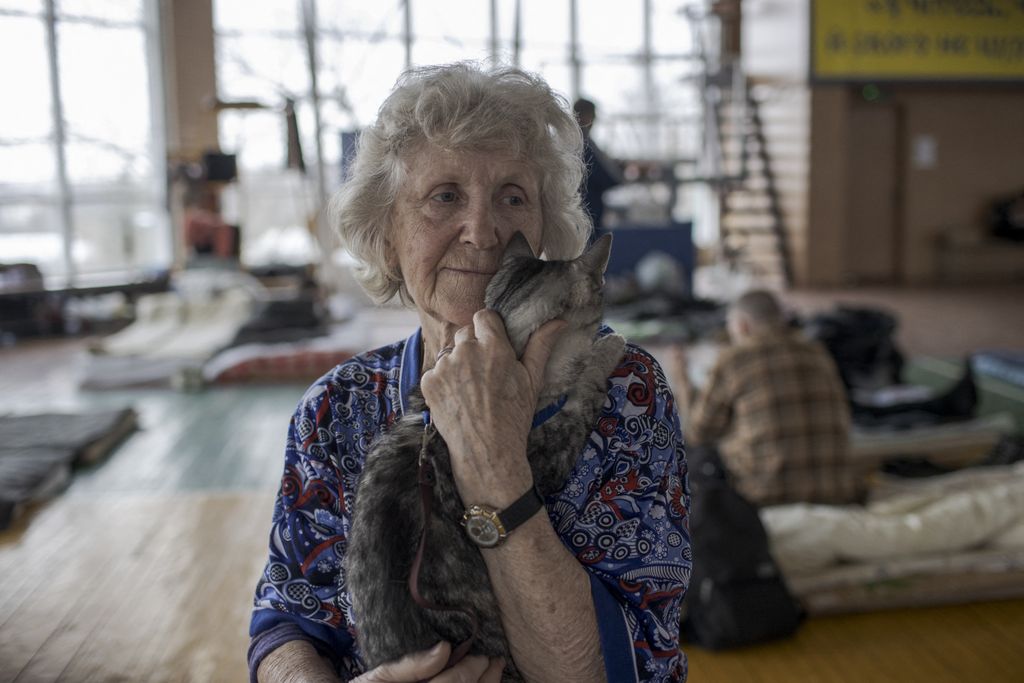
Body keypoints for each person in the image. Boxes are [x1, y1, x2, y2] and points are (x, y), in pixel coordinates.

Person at [248, 63, 691, 682]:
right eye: (445, 196)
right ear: (387, 233)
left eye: (513, 197)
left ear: (542, 231)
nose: (483, 232)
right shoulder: (338, 406)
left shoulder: (624, 392)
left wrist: (495, 465)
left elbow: (613, 669)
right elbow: (286, 620)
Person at [677, 289, 856, 506]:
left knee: (694, 454)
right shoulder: (817, 352)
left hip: (763, 496)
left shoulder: (734, 358)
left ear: (742, 326)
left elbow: (698, 432)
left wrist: (683, 383)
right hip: (835, 492)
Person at [573, 98, 622, 241]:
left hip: (576, 213)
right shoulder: (583, 144)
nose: (594, 120)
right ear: (584, 116)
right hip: (587, 210)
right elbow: (605, 176)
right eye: (592, 115)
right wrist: (620, 171)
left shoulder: (570, 141)